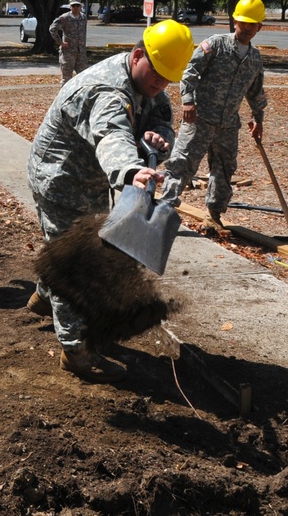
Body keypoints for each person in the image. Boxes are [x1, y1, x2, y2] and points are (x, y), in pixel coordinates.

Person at [26, 19, 194, 382]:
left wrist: (160, 137)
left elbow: (161, 116)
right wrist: (130, 171)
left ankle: (42, 295)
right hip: (60, 176)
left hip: (93, 176)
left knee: (76, 249)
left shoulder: (148, 80)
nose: (161, 85)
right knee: (75, 263)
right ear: (137, 56)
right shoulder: (105, 91)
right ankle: (75, 350)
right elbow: (111, 134)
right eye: (158, 76)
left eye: (169, 80)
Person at [159, 0, 269, 232]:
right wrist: (188, 101)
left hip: (228, 124)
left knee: (224, 169)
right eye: (243, 22)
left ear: (260, 27)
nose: (247, 28)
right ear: (234, 21)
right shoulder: (215, 45)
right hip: (199, 119)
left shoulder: (255, 58)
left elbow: (256, 91)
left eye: (253, 24)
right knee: (182, 164)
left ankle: (214, 216)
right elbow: (190, 72)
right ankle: (163, 210)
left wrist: (258, 119)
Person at [49, 0, 88, 84]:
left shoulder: (83, 17)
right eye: (74, 5)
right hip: (68, 53)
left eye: (77, 5)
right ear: (70, 7)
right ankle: (64, 97)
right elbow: (52, 29)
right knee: (66, 79)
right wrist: (61, 43)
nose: (76, 7)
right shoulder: (64, 18)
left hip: (81, 53)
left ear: (80, 6)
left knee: (84, 77)